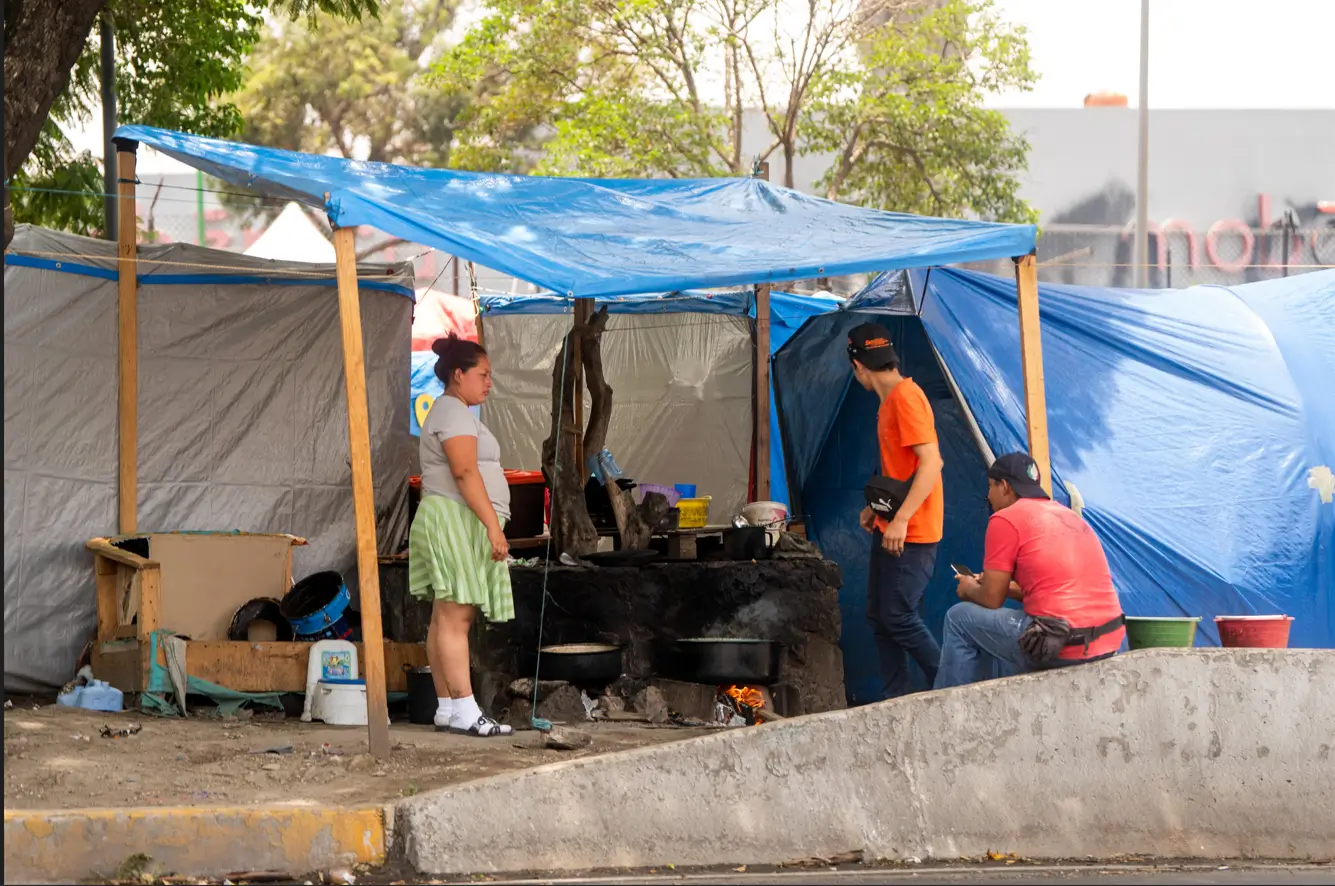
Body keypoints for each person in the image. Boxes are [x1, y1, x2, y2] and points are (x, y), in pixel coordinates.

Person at [935, 453, 1126, 689]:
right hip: (1108, 637)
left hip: (1060, 642)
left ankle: (949, 707)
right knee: (1003, 626)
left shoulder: (1004, 519)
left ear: (1005, 486)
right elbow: (1054, 590)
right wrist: (1005, 588)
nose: (989, 496)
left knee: (959, 618)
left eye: (990, 487)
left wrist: (969, 588)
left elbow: (991, 599)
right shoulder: (1066, 514)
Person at [408, 333, 514, 736]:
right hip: (454, 517)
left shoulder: (454, 411)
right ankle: (467, 709)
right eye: (482, 374)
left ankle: (449, 707)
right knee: (457, 616)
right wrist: (492, 526)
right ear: (458, 374)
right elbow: (465, 472)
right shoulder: (452, 412)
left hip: (453, 516)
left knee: (445, 616)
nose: (489, 382)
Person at [848, 323, 946, 698]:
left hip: (912, 532)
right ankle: (896, 698)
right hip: (889, 525)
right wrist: (876, 508)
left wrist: (901, 519)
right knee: (880, 617)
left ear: (858, 366)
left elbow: (932, 463)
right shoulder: (889, 401)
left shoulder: (906, 397)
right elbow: (900, 467)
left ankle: (950, 686)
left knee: (898, 616)